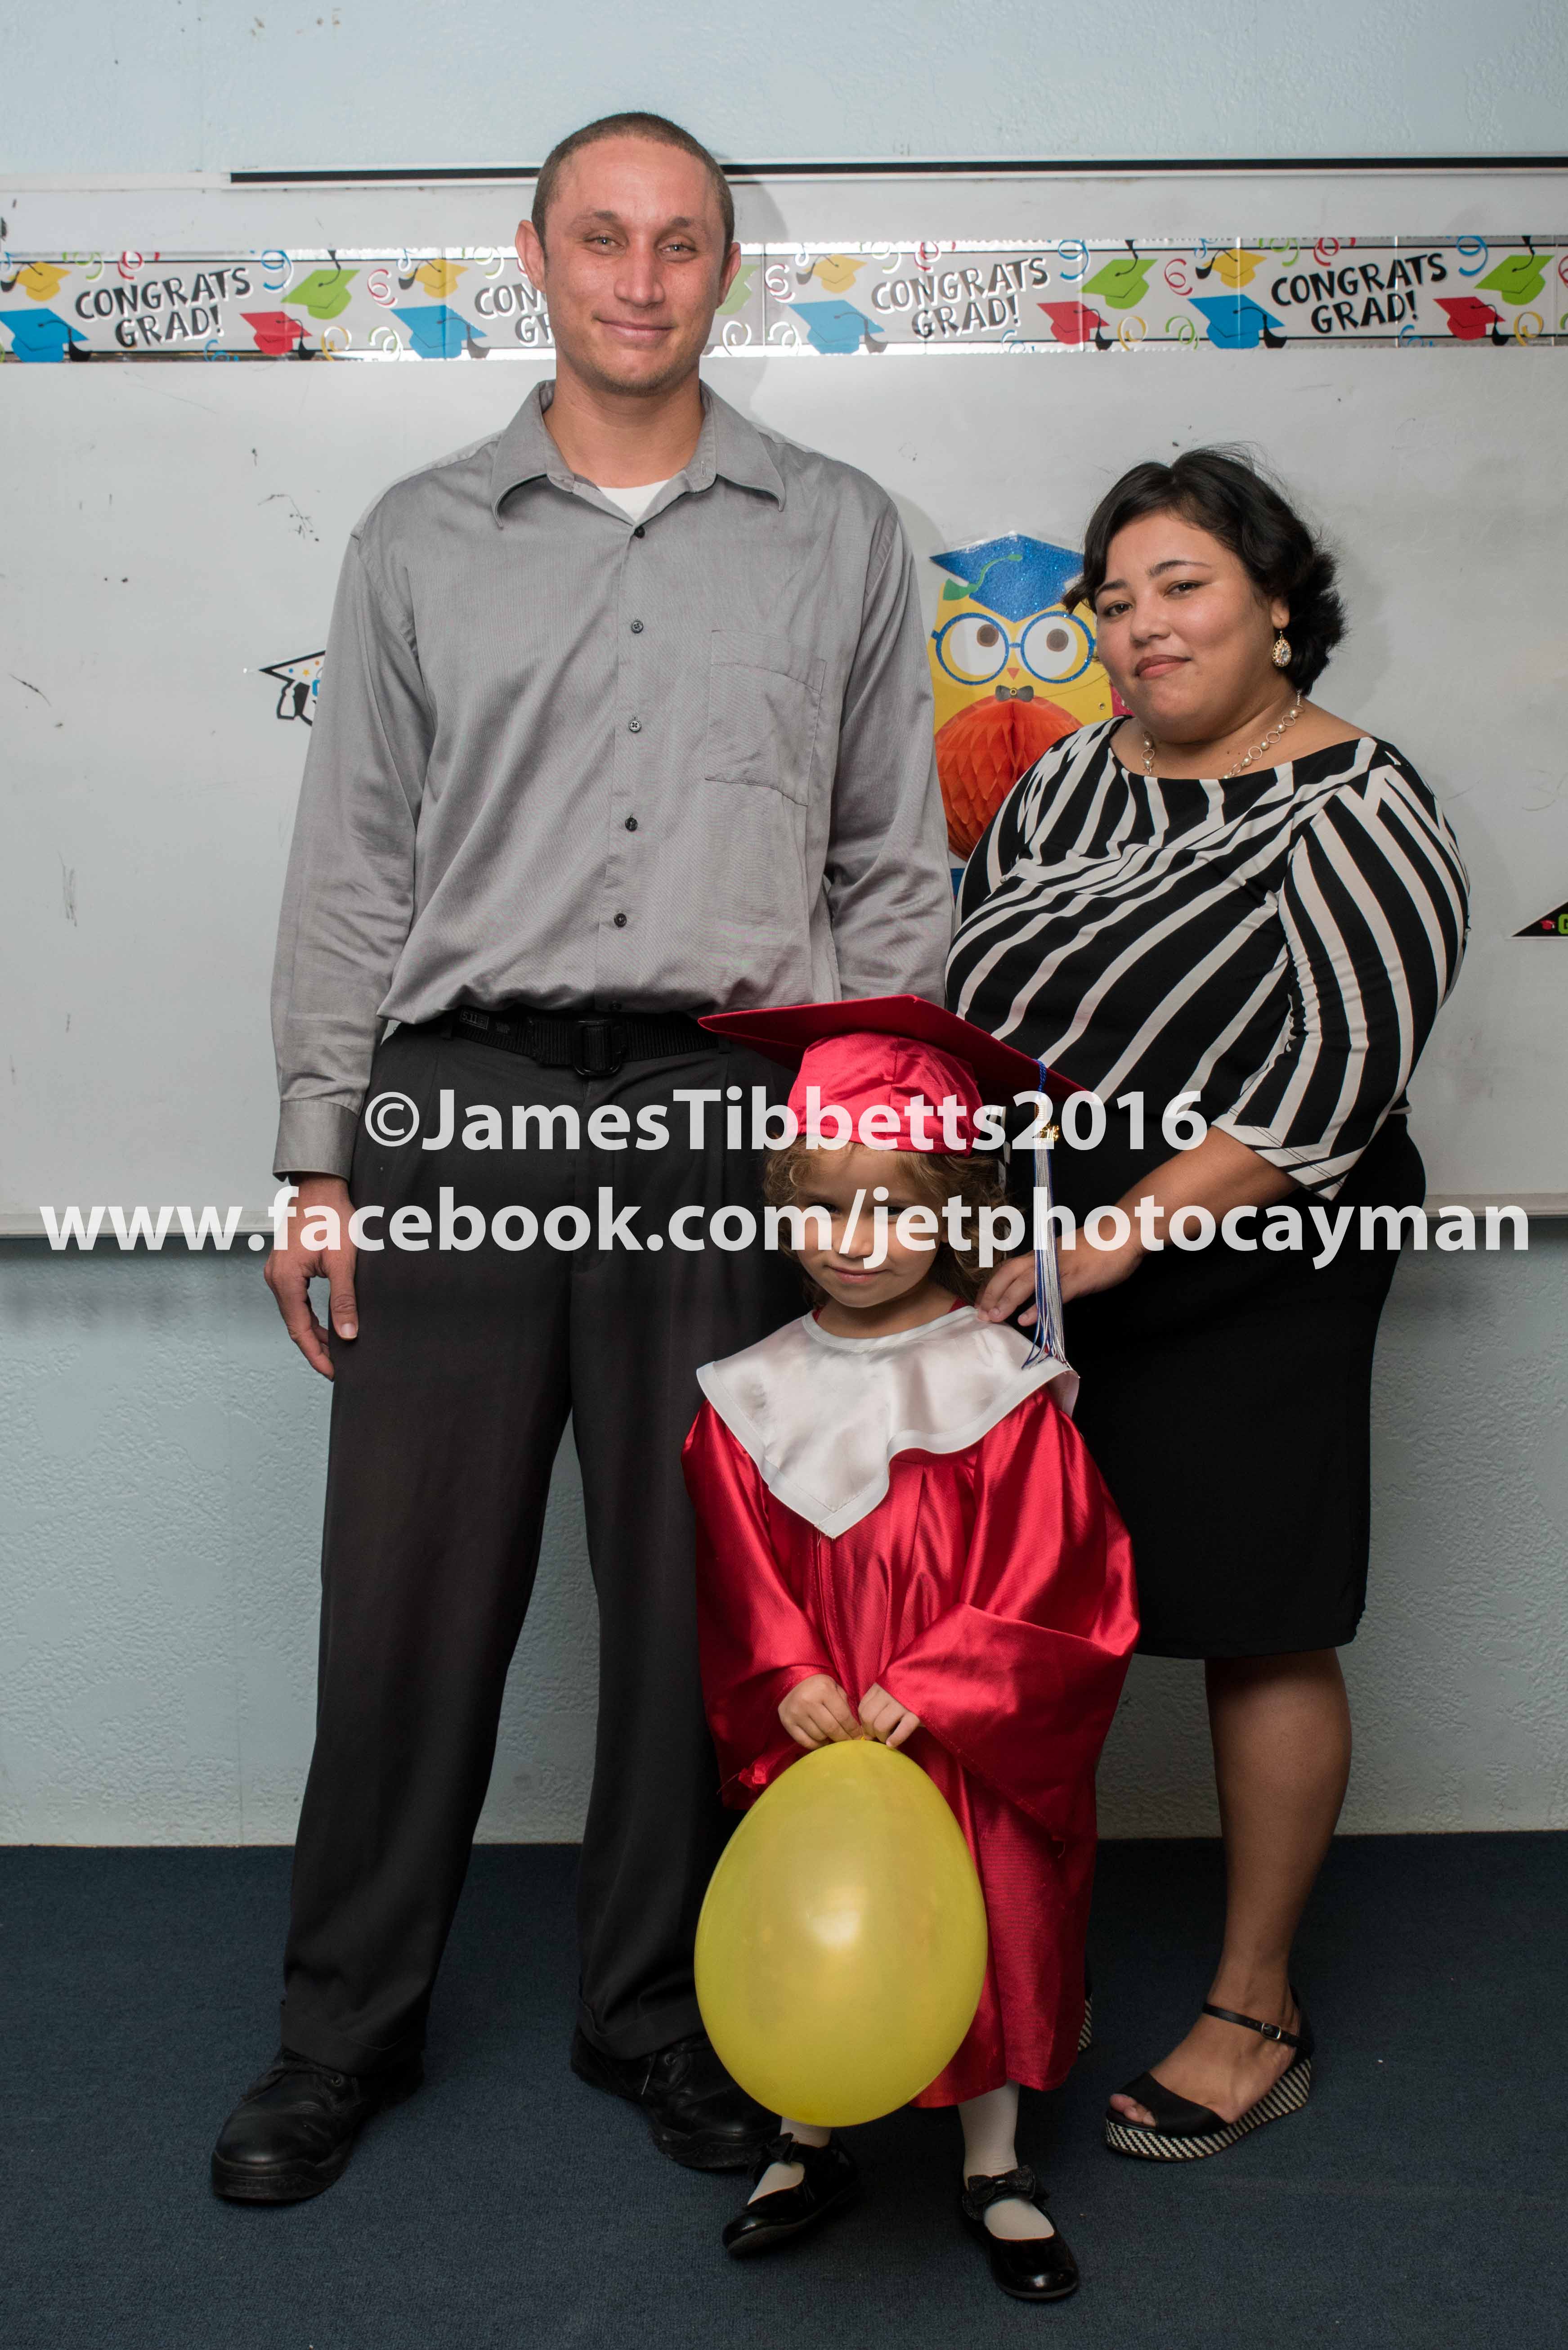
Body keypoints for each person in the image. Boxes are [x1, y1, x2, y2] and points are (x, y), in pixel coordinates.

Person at [211, 112, 952, 2203]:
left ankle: (653, 2016)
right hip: (460, 1108)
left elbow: (890, 871)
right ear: (530, 256)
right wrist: (317, 1158)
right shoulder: (417, 537)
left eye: (681, 243)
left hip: (724, 1105)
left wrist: (866, 1144)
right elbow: (352, 869)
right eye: (603, 239)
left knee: (691, 1604)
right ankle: (337, 2036)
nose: (641, 278)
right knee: (405, 1598)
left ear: (729, 270)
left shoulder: (838, 532)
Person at [946, 448, 1469, 2160]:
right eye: (1115, 599)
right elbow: (982, 995)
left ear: (1278, 609)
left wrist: (1113, 1238)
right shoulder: (1064, 781)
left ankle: (1257, 2008)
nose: (1143, 626)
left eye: (1183, 587)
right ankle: (1032, 1961)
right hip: (1043, 1253)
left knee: (1258, 1612)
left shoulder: (1363, 803)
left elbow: (1331, 1081)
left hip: (1255, 1257)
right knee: (1030, 1622)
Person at [681, 998, 1138, 2301]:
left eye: (892, 1209)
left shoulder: (999, 1387)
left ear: (956, 1210)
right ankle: (805, 2137)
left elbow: (1057, 1575)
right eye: (825, 1208)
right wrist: (787, 1676)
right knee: (810, 1912)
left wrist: (940, 1687)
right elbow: (736, 1571)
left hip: (958, 1732)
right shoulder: (748, 1393)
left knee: (984, 1918)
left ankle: (995, 2166)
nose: (855, 1240)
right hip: (825, 1721)